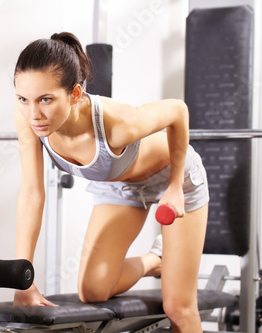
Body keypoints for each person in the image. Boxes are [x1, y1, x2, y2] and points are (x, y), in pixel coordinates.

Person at [12, 32, 209, 333]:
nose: (34, 113)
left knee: (178, 308)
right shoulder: (28, 118)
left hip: (174, 178)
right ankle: (156, 260)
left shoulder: (117, 124)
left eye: (46, 99)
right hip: (118, 185)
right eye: (23, 99)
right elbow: (32, 193)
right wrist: (21, 278)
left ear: (75, 94)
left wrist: (173, 188)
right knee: (92, 291)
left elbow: (177, 111)